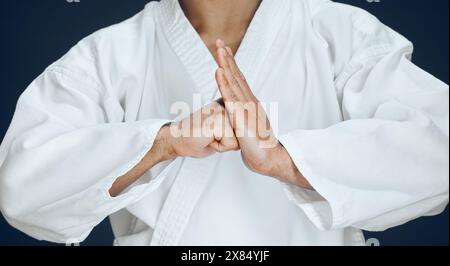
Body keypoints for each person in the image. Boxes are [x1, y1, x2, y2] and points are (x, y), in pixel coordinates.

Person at [0, 0, 448, 246]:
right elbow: (20, 187)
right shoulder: (110, 55)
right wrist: (162, 142)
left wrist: (285, 159)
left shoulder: (340, 34)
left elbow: (438, 149)